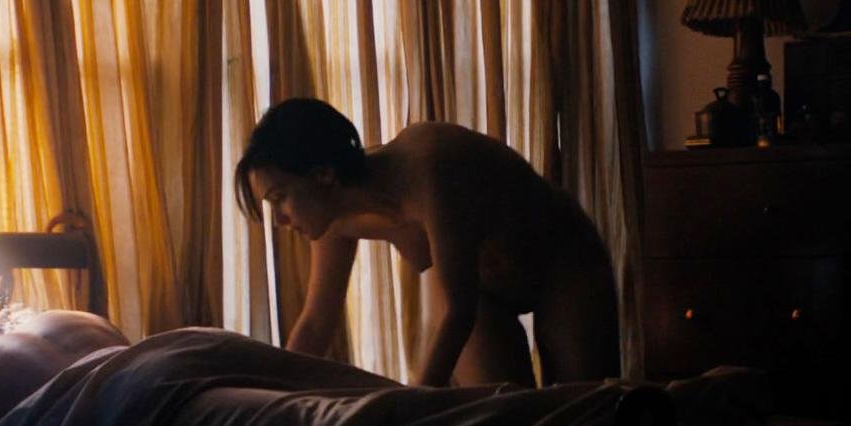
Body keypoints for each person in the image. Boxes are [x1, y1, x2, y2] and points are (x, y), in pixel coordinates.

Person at [234, 98, 618, 388]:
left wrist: (413, 406)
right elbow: (316, 323)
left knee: (584, 414)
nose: (279, 220)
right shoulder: (332, 222)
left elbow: (457, 309)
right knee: (501, 420)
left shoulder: (426, 165)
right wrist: (274, 398)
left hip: (561, 263)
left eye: (279, 198)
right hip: (482, 293)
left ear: (323, 174)